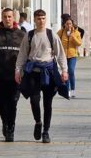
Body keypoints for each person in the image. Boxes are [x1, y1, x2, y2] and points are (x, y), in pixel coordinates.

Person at [15, 9, 68, 144]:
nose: (41, 21)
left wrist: (64, 71)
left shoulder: (51, 35)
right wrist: (18, 70)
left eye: (43, 18)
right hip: (33, 72)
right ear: (34, 20)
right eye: (39, 19)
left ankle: (46, 131)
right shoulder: (29, 35)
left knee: (48, 103)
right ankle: (38, 122)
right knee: (34, 100)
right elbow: (22, 54)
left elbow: (60, 54)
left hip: (48, 72)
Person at [0, 8, 25, 142]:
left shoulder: (22, 35)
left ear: (14, 18)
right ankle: (5, 122)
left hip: (15, 77)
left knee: (12, 103)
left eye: (10, 17)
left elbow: (26, 54)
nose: (7, 19)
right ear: (2, 18)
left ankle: (10, 127)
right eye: (5, 17)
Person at [57, 18, 82, 98]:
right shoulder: (60, 32)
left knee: (71, 71)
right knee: (65, 72)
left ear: (72, 24)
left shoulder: (76, 33)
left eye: (70, 24)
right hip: (63, 56)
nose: (68, 25)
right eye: (67, 24)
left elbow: (79, 43)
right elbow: (55, 40)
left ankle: (73, 89)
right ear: (64, 24)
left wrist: (73, 37)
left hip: (72, 55)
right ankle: (67, 90)